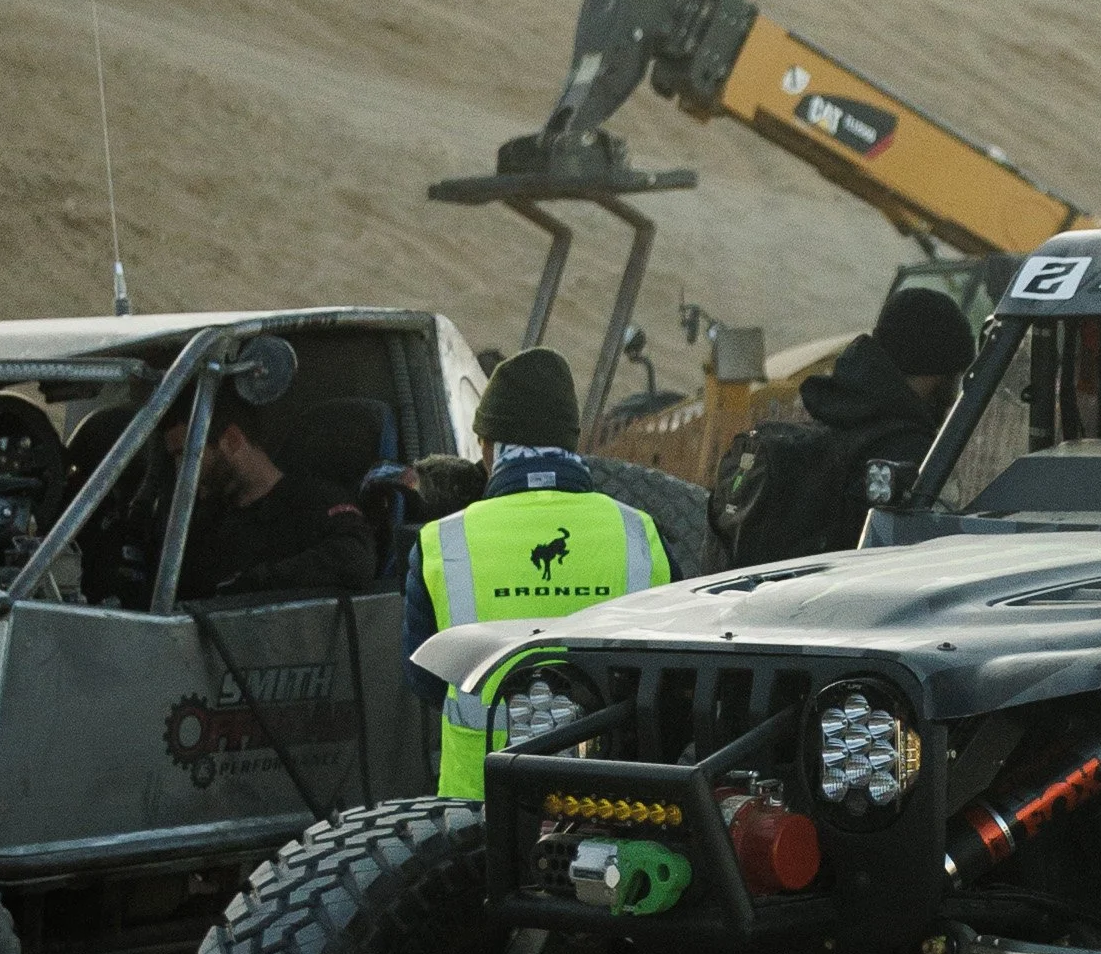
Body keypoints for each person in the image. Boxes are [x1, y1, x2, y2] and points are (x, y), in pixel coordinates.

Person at [402, 347, 672, 795]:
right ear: (570, 441)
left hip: (478, 810)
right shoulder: (639, 533)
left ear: (488, 446)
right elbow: (671, 674)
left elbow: (425, 679)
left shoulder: (441, 542)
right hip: (614, 806)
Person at [707, 285, 974, 565]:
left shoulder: (834, 420)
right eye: (954, 378)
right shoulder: (910, 453)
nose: (955, 395)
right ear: (936, 374)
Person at [176, 390, 381, 603]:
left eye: (185, 454)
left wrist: (254, 583)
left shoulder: (315, 500)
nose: (180, 469)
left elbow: (354, 559)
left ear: (232, 440)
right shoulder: (207, 523)